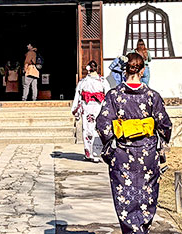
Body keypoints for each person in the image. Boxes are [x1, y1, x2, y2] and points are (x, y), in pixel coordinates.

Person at [96, 53, 172, 234]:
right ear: (143, 70)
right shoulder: (152, 96)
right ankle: (142, 230)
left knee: (124, 195)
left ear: (125, 70)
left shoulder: (114, 95)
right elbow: (165, 124)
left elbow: (103, 124)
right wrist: (158, 140)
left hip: (122, 152)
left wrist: (112, 143)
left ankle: (130, 231)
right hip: (148, 153)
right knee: (147, 194)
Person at [71, 60, 110, 162]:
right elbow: (108, 95)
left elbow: (77, 96)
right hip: (99, 107)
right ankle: (96, 153)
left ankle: (89, 153)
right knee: (97, 129)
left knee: (88, 129)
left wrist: (75, 108)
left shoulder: (83, 82)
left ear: (88, 69)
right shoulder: (102, 81)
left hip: (88, 107)